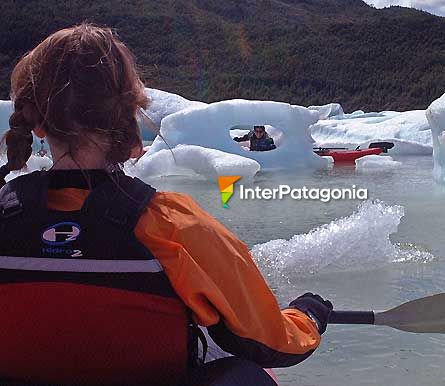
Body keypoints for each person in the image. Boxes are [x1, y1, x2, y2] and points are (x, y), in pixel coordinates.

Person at [0, 24, 332, 386]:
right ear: (124, 116)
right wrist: (307, 315)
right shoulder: (172, 226)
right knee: (245, 373)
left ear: (38, 125)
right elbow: (269, 342)